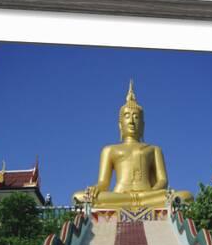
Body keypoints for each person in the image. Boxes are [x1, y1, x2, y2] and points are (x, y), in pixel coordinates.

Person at [73, 80, 192, 209]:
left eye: (136, 117)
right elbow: (104, 183)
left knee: (185, 195)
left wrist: (152, 192)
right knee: (80, 196)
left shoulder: (153, 149)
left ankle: (140, 202)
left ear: (143, 125)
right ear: (120, 125)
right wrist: (95, 189)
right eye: (127, 116)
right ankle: (137, 203)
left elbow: (163, 180)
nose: (131, 121)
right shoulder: (109, 150)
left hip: (148, 195)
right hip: (120, 195)